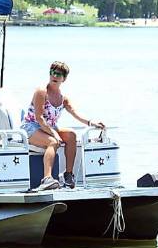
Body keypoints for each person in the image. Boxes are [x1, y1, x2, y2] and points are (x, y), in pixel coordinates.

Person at [21, 61, 105, 190]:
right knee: (53, 142)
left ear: (64, 79)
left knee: (71, 135)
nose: (54, 76)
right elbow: (39, 118)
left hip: (50, 128)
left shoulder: (63, 98)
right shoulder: (41, 92)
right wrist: (54, 133)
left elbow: (76, 113)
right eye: (52, 73)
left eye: (58, 74)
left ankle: (68, 174)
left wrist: (91, 123)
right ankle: (47, 179)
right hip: (32, 127)